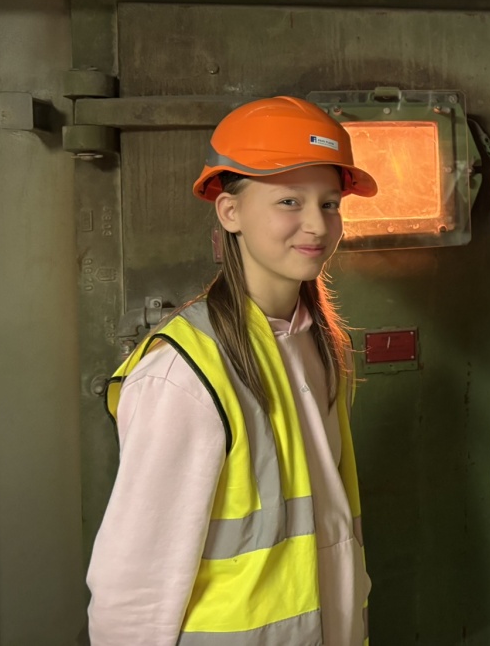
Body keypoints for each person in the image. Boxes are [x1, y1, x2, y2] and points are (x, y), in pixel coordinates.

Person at [87, 96, 377, 646]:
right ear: (229, 212)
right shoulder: (184, 374)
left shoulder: (318, 345)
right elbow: (134, 586)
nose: (317, 224)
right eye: (289, 200)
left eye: (330, 203)